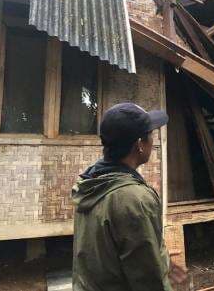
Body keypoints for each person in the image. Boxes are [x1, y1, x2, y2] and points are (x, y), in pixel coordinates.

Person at [72, 103, 187, 291]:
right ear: (139, 145)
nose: (153, 140)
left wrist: (165, 263)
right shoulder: (134, 199)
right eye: (151, 135)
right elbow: (148, 277)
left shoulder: (91, 183)